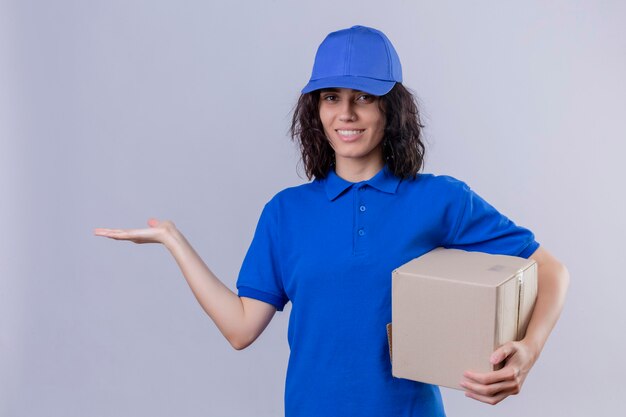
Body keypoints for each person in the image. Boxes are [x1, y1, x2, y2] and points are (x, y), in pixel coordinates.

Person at [94, 25, 569, 416]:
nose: (345, 113)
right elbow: (241, 329)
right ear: (315, 109)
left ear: (392, 107)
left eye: (364, 97)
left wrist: (528, 350)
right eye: (330, 97)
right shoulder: (286, 212)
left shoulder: (439, 199)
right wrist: (175, 242)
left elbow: (551, 271)